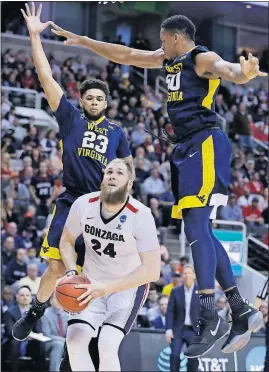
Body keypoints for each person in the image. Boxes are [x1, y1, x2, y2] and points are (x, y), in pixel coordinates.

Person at [51, 12, 266, 357]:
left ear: (176, 37)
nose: (160, 47)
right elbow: (127, 55)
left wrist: (245, 73)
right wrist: (86, 42)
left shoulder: (200, 57)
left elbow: (229, 70)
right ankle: (240, 309)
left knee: (197, 226)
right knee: (202, 232)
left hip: (205, 143)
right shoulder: (170, 62)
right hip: (184, 148)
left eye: (163, 40)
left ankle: (210, 315)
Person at [13, 3, 132, 342]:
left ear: (106, 103)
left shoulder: (117, 132)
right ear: (81, 101)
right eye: (89, 97)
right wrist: (35, 37)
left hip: (102, 209)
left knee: (92, 275)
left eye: (99, 98)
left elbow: (126, 172)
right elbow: (45, 76)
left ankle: (91, 333)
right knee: (54, 266)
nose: (94, 102)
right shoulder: (69, 117)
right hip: (70, 203)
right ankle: (35, 310)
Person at [59, 158, 160, 371]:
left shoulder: (140, 215)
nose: (112, 175)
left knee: (107, 343)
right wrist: (70, 272)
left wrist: (106, 288)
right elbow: (66, 241)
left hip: (127, 287)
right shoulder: (83, 204)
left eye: (119, 173)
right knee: (74, 341)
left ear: (129, 183)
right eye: (109, 172)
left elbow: (152, 270)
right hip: (90, 282)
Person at [165, 265, 199, 372]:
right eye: (185, 273)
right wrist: (169, 329)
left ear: (194, 275)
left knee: (193, 357)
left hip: (194, 330)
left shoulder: (201, 292)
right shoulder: (175, 291)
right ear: (182, 276)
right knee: (174, 355)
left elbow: (206, 313)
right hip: (178, 329)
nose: (187, 275)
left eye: (189, 273)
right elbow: (170, 312)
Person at [3, 286, 46, 372]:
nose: (25, 297)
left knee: (40, 344)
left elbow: (38, 329)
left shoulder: (35, 312)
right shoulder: (10, 312)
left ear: (31, 298)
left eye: (27, 295)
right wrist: (26, 335)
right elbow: (9, 331)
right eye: (22, 295)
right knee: (14, 343)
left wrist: (39, 334)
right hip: (14, 341)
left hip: (30, 342)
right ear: (17, 297)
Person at [41, 293, 68, 372]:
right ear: (51, 301)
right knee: (58, 345)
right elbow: (47, 335)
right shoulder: (45, 314)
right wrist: (64, 341)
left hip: (64, 344)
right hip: (49, 343)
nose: (59, 301)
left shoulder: (67, 315)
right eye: (56, 298)